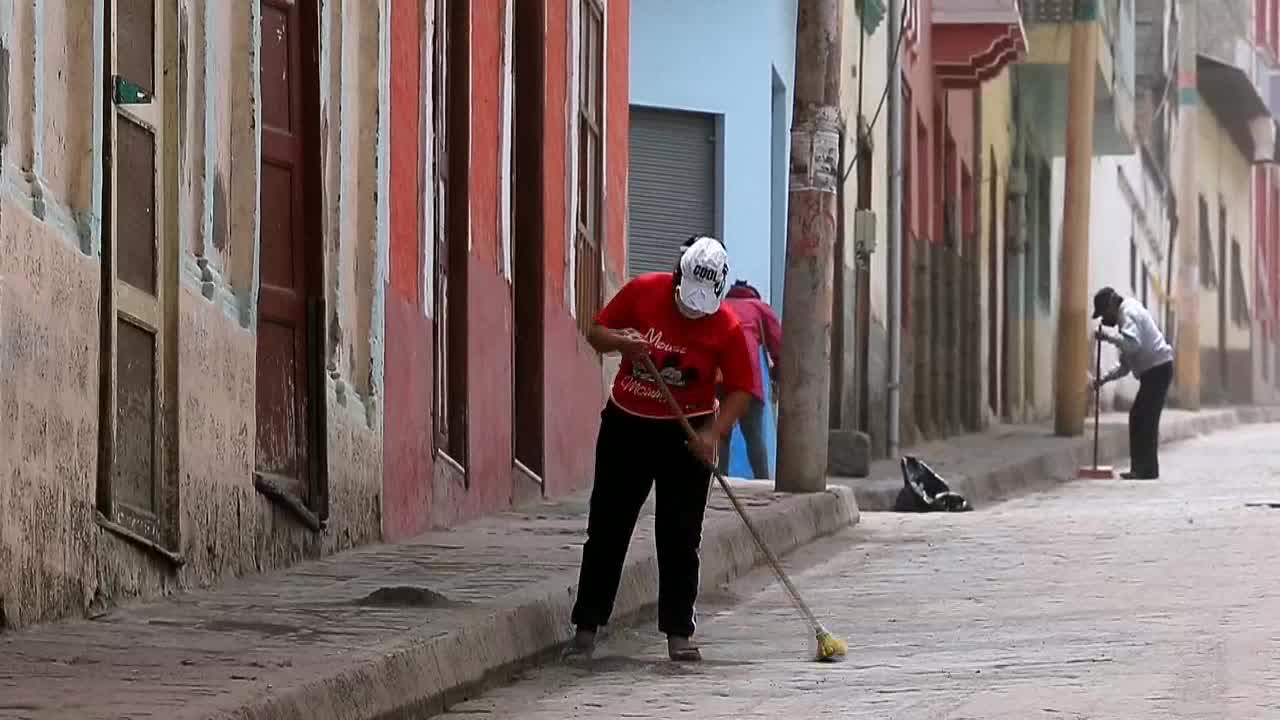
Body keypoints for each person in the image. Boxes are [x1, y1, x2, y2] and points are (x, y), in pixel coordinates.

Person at [565, 235, 755, 663]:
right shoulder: (642, 291)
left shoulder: (726, 326)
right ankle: (586, 629)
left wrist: (713, 434)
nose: (691, 311)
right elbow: (595, 332)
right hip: (626, 426)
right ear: (676, 277)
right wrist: (621, 343)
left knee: (680, 535)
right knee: (608, 530)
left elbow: (743, 389)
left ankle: (678, 634)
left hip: (686, 436)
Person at [1088, 286, 1174, 480]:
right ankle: (1142, 468)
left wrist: (1108, 338)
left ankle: (1146, 469)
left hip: (1158, 370)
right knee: (1139, 417)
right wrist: (1103, 380)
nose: (1104, 320)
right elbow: (1125, 365)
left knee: (1144, 418)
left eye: (1103, 313)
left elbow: (1133, 345)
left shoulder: (1128, 312)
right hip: (1153, 372)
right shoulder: (1124, 323)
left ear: (1111, 305)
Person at [717, 280, 782, 480]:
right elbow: (780, 347)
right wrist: (777, 375)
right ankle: (762, 479)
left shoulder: (719, 307)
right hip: (748, 375)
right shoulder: (760, 308)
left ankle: (720, 479)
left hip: (718, 374)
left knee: (722, 431)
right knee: (754, 435)